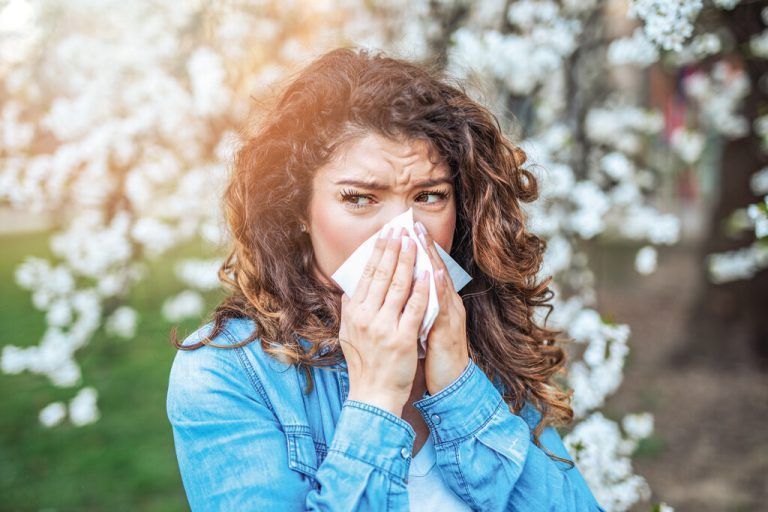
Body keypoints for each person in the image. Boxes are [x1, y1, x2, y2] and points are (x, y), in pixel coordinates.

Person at [166, 46, 605, 511]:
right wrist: (376, 400)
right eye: (359, 199)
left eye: (429, 196)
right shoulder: (229, 375)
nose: (404, 230)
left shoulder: (482, 335)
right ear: (298, 210)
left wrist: (461, 386)